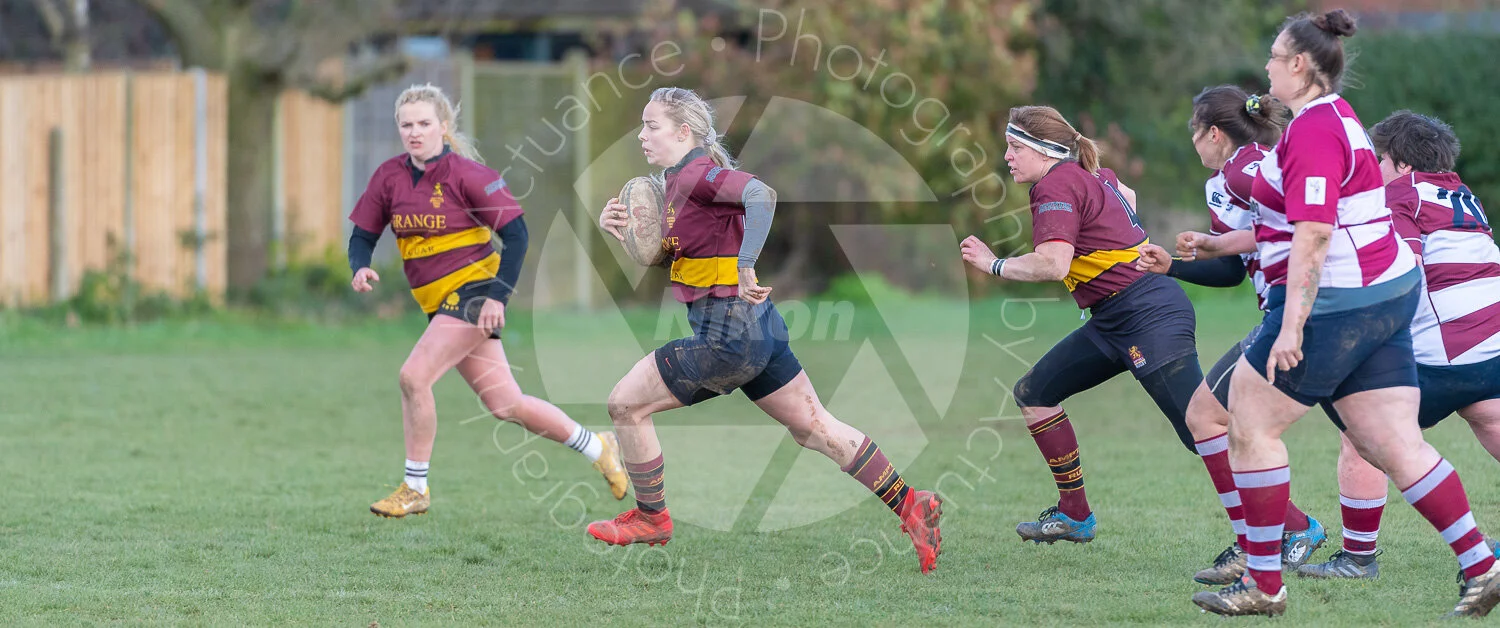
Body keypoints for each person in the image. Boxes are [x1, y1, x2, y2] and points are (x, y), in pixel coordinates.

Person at [1188, 11, 1500, 618]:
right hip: (1385, 295)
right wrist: (1218, 244)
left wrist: (1292, 324)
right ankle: (1482, 564)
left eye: (1275, 56)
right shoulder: (1335, 117)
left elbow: (1314, 232)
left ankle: (1264, 584)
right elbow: (1295, 222)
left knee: (1249, 425)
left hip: (1339, 300)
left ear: (1300, 64)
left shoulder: (1313, 131)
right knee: (1392, 442)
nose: (1267, 67)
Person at [586, 87, 943, 573]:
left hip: (727, 336)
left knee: (625, 405)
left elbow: (761, 194)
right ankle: (911, 505)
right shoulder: (676, 185)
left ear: (684, 132)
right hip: (757, 329)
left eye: (652, 126)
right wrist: (624, 232)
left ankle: (652, 518)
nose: (642, 135)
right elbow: (672, 256)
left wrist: (746, 263)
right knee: (816, 428)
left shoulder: (697, 174)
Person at [347, 83, 628, 518]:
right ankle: (598, 446)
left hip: (475, 292)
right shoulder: (389, 176)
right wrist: (360, 265)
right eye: (406, 125)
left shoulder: (469, 175)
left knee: (413, 377)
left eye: (424, 123)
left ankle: (415, 487)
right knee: (506, 405)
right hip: (439, 304)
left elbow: (517, 236)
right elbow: (363, 234)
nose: (414, 132)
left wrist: (498, 297)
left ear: (443, 125)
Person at [959, 105, 1204, 545]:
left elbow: (1053, 264)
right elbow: (1127, 196)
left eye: (1015, 147)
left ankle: (1294, 526)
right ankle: (1074, 514)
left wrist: (993, 264)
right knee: (1034, 393)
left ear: (1045, 150)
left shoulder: (1055, 183)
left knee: (1200, 429)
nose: (1007, 156)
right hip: (1115, 317)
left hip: (1147, 315)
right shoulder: (1091, 174)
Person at [1135, 86, 1327, 585]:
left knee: (1207, 418)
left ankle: (1260, 543)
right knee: (1375, 439)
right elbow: (1233, 270)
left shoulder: (1248, 168)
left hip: (1301, 313)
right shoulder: (1224, 181)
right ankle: (1297, 536)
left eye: (1194, 132)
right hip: (1293, 311)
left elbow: (1304, 222)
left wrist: (1213, 244)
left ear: (1214, 133)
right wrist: (1173, 266)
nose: (1192, 142)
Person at [1296, 111, 1500, 580]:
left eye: (1380, 160)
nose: (1375, 169)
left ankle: (1357, 559)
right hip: (1492, 346)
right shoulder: (1462, 194)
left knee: (1361, 432)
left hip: (1444, 352)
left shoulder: (1400, 194)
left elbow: (1403, 270)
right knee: (1488, 416)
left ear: (1402, 164)